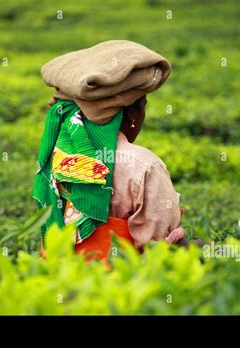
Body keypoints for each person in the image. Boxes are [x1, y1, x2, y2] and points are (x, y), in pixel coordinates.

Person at [33, 40, 185, 262]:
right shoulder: (145, 167)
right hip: (124, 290)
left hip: (62, 282)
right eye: (143, 105)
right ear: (133, 112)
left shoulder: (55, 157)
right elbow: (159, 251)